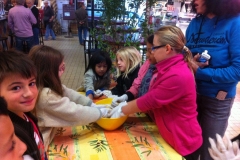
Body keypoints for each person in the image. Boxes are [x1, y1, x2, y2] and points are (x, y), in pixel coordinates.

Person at [110, 25, 202, 159]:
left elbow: (150, 100)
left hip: (184, 141)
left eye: (154, 48)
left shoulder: (177, 75)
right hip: (172, 134)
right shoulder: (165, 67)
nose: (151, 53)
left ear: (167, 49)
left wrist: (121, 109)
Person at [185, 0, 240, 159]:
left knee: (209, 152)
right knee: (188, 149)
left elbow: (237, 71)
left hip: (217, 99)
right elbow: (186, 54)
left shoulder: (235, 22)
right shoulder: (195, 23)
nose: (194, 1)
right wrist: (191, 60)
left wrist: (200, 73)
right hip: (191, 96)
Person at [28, 45, 111, 150]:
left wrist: (90, 104)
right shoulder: (45, 96)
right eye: (60, 68)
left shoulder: (44, 83)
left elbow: (69, 93)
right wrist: (100, 113)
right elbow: (74, 113)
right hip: (38, 145)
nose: (64, 69)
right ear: (48, 71)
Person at [0, 50, 46, 160]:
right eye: (16, 88)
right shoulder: (10, 134)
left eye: (31, 83)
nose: (29, 93)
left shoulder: (26, 114)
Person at [112, 35, 157, 106]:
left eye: (150, 51)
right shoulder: (147, 64)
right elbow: (137, 85)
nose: (147, 54)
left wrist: (125, 108)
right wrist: (126, 96)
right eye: (147, 50)